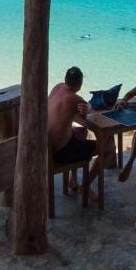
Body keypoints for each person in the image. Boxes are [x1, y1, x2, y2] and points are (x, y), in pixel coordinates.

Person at [47, 67, 112, 198]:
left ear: (65, 79)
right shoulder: (74, 98)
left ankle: (73, 179)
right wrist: (88, 108)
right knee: (108, 149)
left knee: (82, 132)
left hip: (48, 146)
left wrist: (85, 109)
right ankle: (85, 186)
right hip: (60, 153)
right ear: (79, 83)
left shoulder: (57, 87)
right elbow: (90, 109)